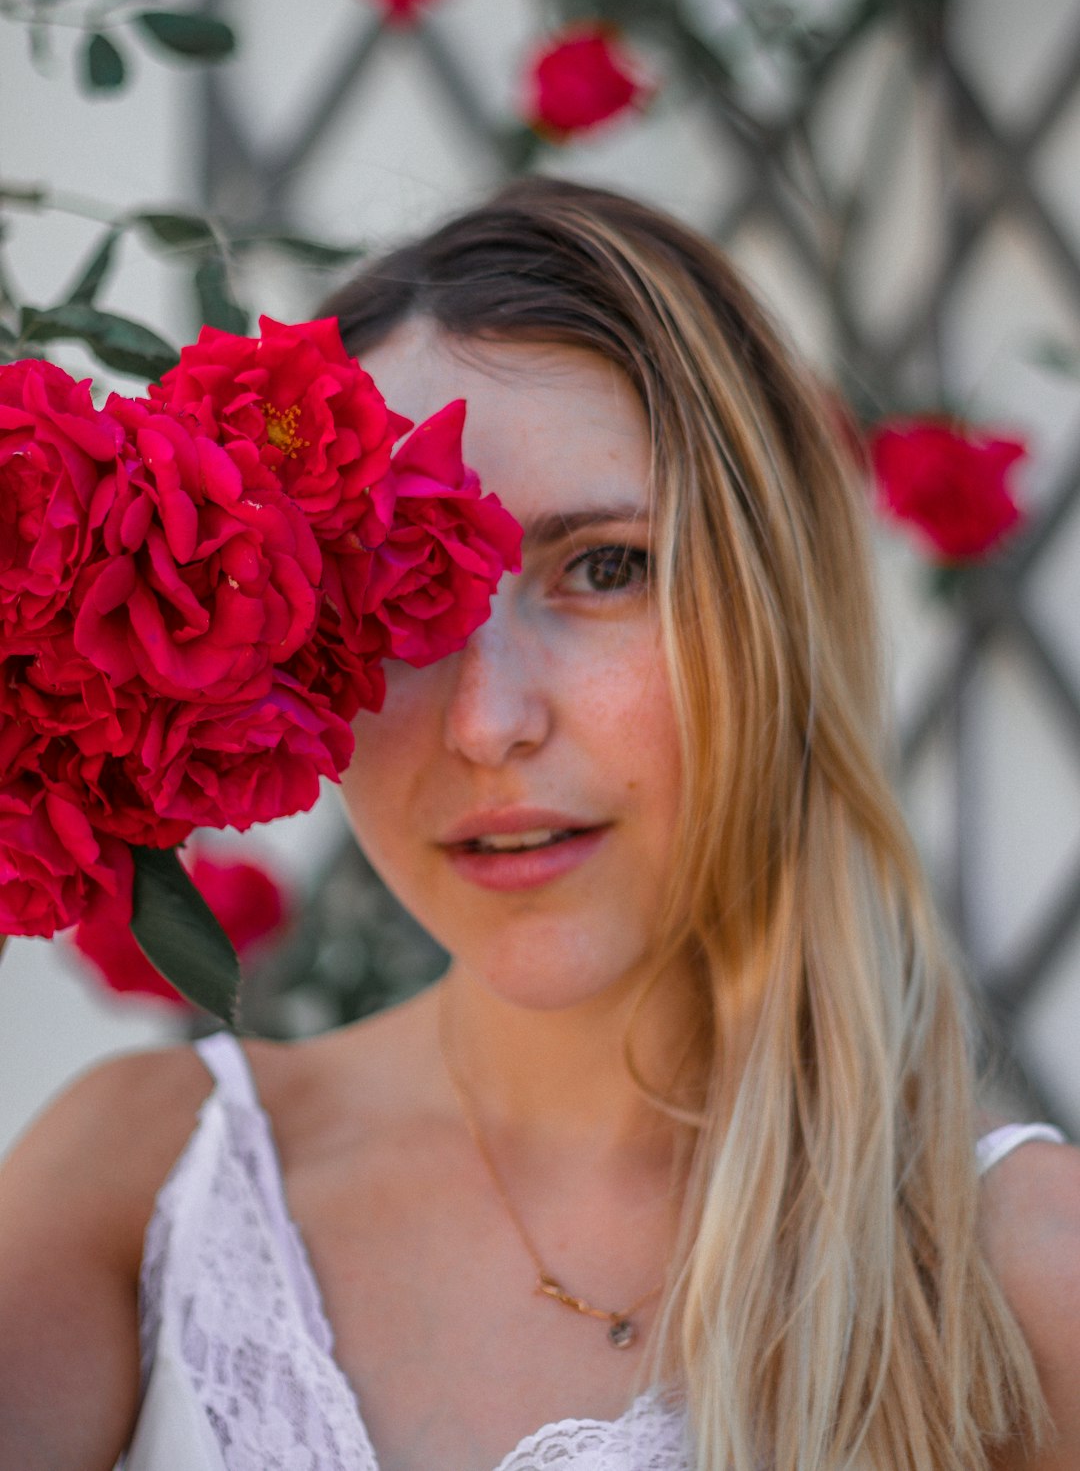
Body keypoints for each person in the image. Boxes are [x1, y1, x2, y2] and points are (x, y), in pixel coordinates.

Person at [0, 177, 1078, 1471]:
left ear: (774, 612)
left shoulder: (1017, 1272)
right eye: (393, 593)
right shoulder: (138, 1181)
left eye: (606, 567)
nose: (486, 721)